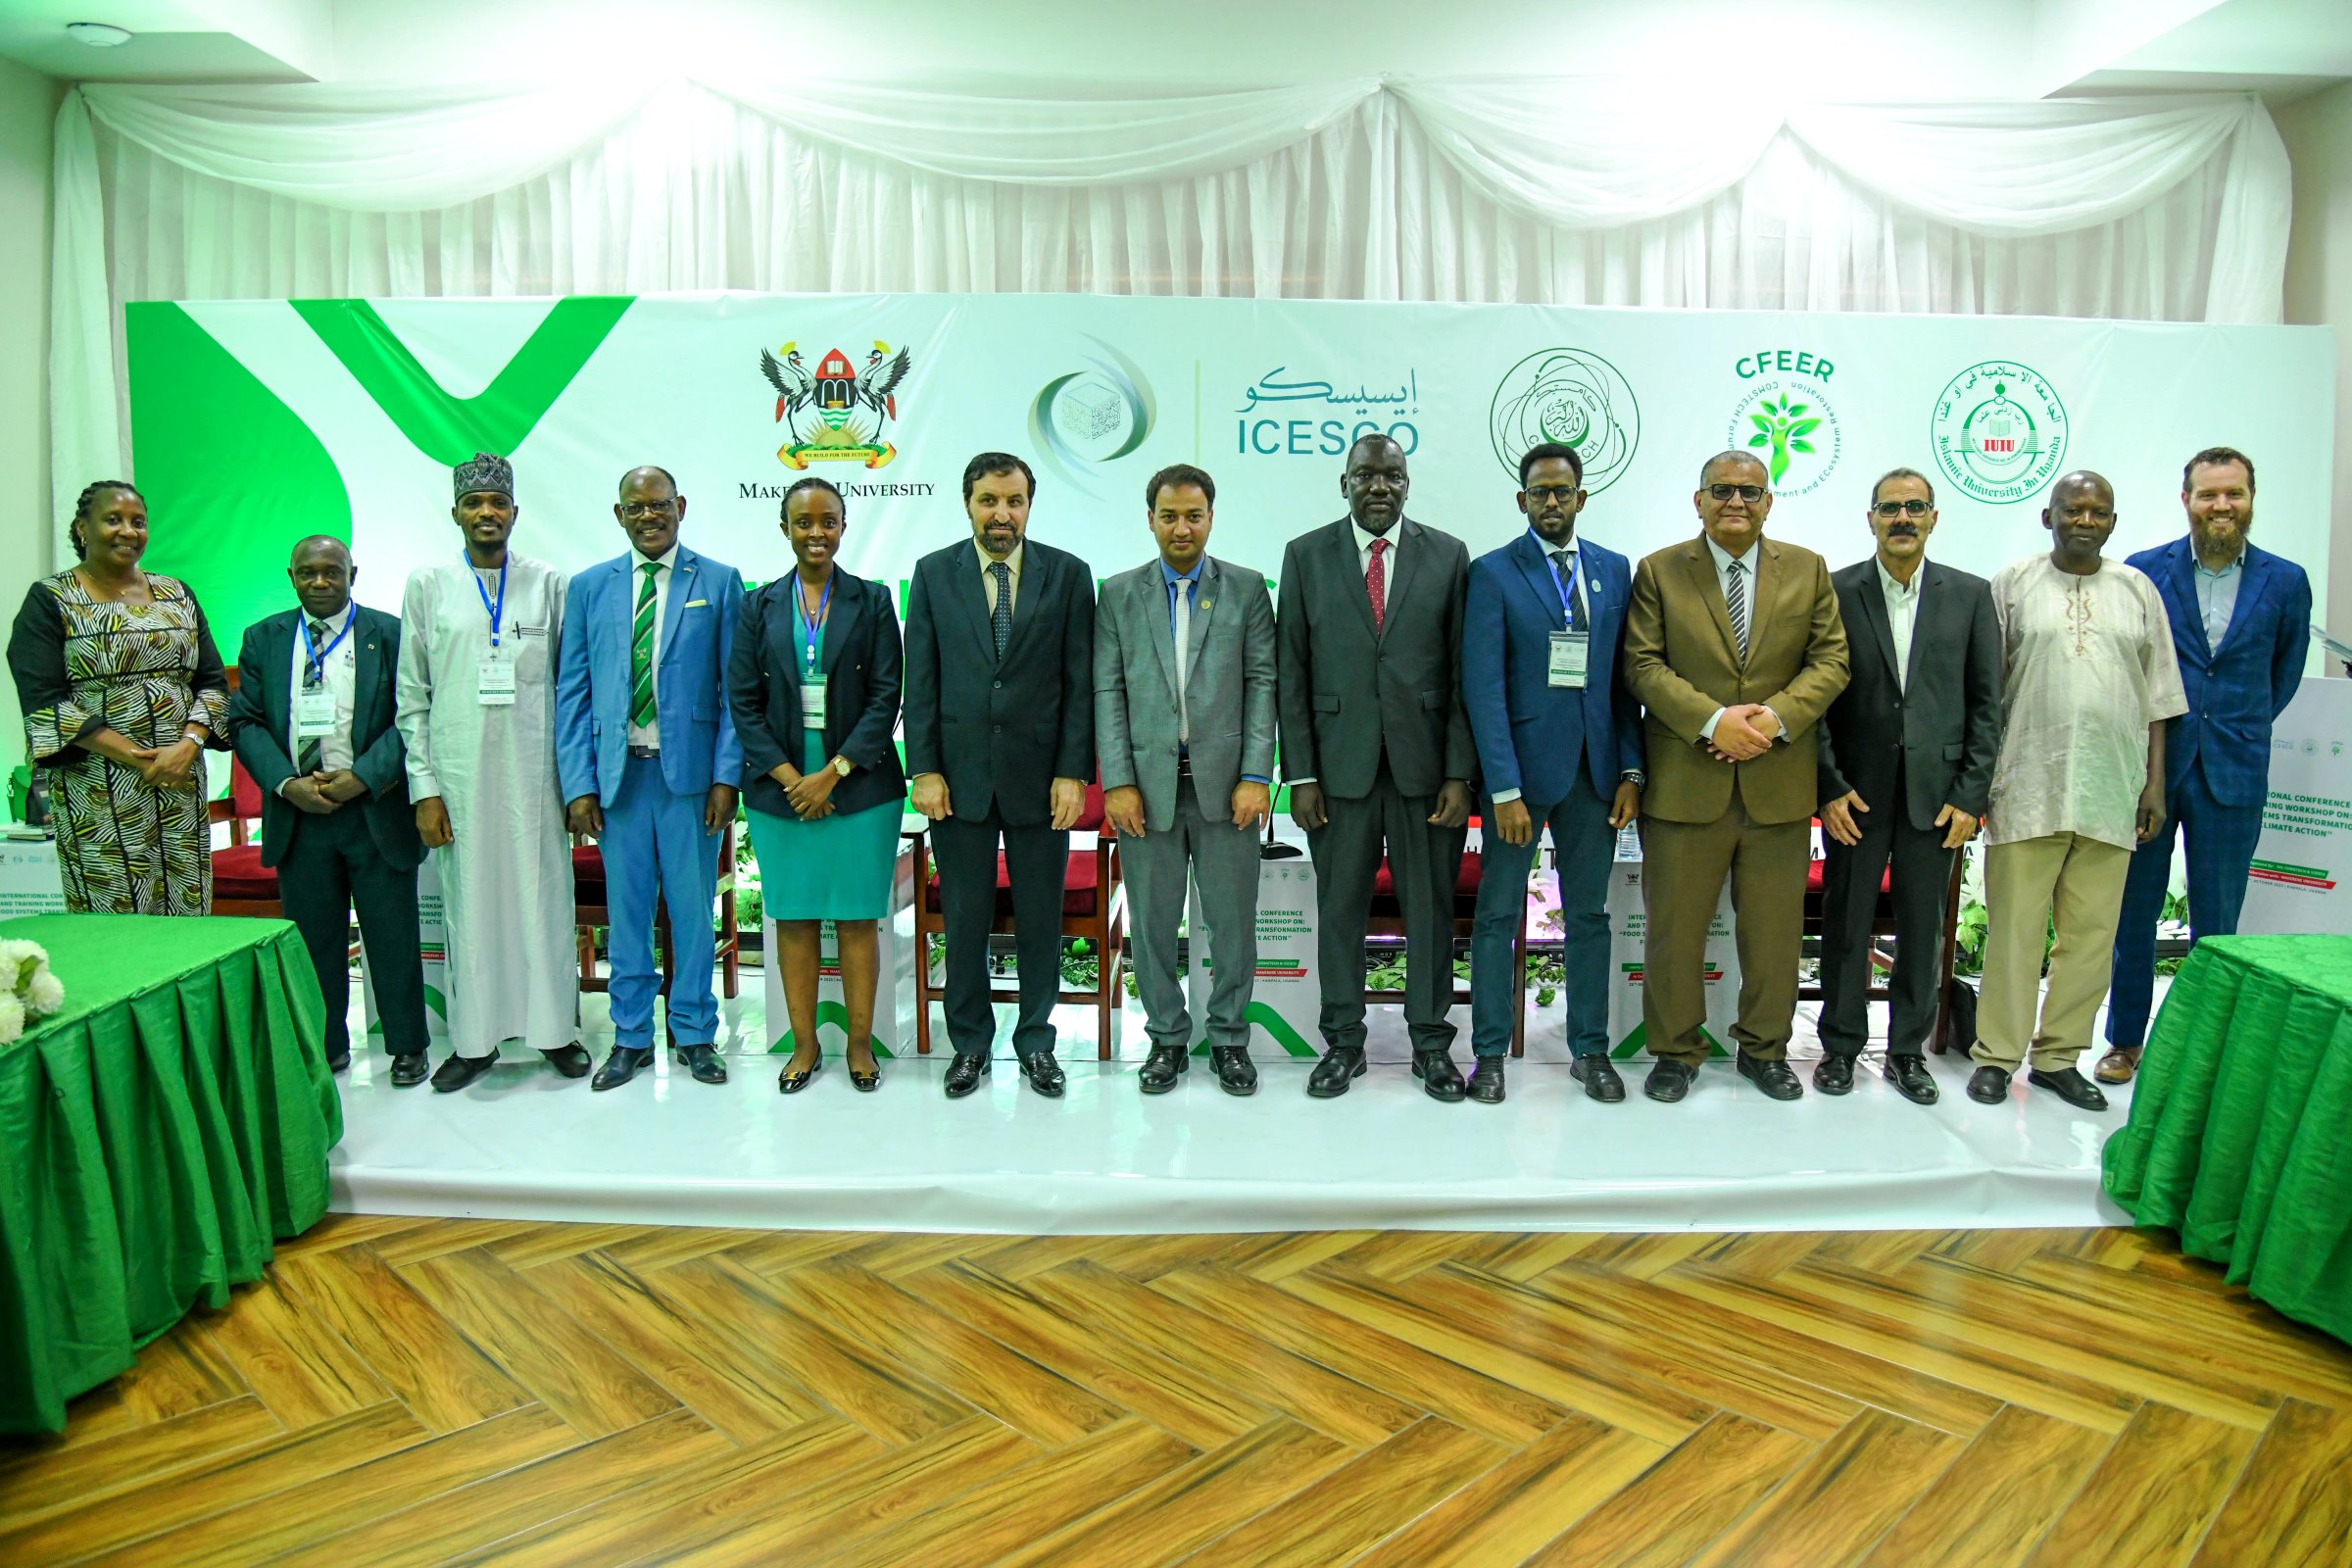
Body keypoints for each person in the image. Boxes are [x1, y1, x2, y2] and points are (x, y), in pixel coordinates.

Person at [1622, 451, 1849, 1103]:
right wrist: (1714, 720)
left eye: (1750, 492)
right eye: (1721, 490)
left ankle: (1764, 1049)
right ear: (1699, 500)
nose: (1736, 502)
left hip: (1777, 785)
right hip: (1686, 785)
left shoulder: (1807, 569)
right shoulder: (1660, 572)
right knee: (1673, 933)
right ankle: (1675, 1051)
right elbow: (1641, 665)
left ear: (1769, 502)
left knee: (1775, 936)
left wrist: (1774, 720)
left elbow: (1832, 662)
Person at [1971, 470, 2186, 1111]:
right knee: (2012, 933)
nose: (2084, 520)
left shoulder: (2137, 590)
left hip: (2109, 789)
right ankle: (1995, 1058)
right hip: (2025, 785)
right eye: (2072, 510)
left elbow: (2160, 701)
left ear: (2113, 522)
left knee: (2091, 939)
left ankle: (2060, 1058)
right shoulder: (2012, 586)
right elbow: (1984, 694)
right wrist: (1980, 781)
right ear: (2049, 517)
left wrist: (2152, 786)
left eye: (2097, 511)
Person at [2098, 446, 2311, 1085]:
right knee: (2135, 911)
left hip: (2235, 770)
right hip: (2152, 772)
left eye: (2234, 494)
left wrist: (2240, 725)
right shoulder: (2143, 572)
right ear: (2185, 499)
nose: (2222, 505)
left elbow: (2285, 673)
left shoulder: (2286, 580)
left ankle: (2208, 1047)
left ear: (2251, 499)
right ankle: (2125, 1041)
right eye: (2209, 494)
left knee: (2220, 919)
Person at [1278, 433, 1476, 1102]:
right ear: (1345, 484)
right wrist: (1300, 775)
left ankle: (1430, 1045)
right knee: (1339, 912)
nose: (1379, 486)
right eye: (1365, 475)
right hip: (1338, 772)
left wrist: (1458, 772)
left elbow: (1461, 674)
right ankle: (1342, 1044)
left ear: (1408, 483)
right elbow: (1292, 673)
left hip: (1426, 774)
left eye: (1392, 474)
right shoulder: (1305, 556)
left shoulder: (1448, 556)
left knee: (1430, 911)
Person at [904, 453, 1095, 1099]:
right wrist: (923, 768)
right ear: (968, 504)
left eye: (1013, 501)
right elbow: (920, 682)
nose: (1001, 513)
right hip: (956, 782)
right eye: (989, 500)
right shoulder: (933, 575)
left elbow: (1079, 686)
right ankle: (970, 1045)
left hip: (1042, 783)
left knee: (1041, 918)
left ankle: (1037, 1043)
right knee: (964, 919)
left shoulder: (1068, 576)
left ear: (1029, 505)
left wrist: (1074, 773)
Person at [394, 453, 586, 1091]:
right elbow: (411, 695)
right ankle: (474, 1044)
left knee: (545, 902)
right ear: (456, 512)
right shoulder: (428, 585)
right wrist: (424, 789)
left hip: (537, 776)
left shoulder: (548, 584)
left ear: (514, 513)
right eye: (474, 503)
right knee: (470, 907)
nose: (486, 513)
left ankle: (555, 1032)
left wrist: (575, 784)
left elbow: (571, 687)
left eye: (497, 503)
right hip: (460, 779)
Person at [1459, 442, 1642, 1104]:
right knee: (1497, 916)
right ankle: (1488, 1055)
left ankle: (1589, 1050)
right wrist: (1502, 787)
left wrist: (1631, 770)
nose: (1552, 503)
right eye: (1540, 493)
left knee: (1589, 917)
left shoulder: (1613, 571)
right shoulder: (1493, 574)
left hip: (1596, 777)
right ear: (1522, 500)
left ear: (1581, 498)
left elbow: (1626, 683)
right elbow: (1483, 689)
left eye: (1563, 492)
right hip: (1521, 780)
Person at [1814, 468, 2001, 1105]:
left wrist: (1971, 797)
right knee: (1845, 923)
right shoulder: (1835, 591)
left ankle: (1905, 1054)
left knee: (1923, 930)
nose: (1902, 518)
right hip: (1855, 798)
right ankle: (1839, 1049)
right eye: (1889, 508)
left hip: (1938, 798)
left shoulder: (1971, 596)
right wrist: (1828, 786)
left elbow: (1986, 705)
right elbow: (1813, 701)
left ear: (1933, 518)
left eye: (1914, 507)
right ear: (1870, 519)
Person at [556, 466, 744, 1093]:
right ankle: (631, 1037)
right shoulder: (588, 587)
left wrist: (726, 777)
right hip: (618, 783)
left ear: (680, 506)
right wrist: (578, 783)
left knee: (692, 911)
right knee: (627, 913)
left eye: (659, 505)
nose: (648, 516)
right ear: (618, 515)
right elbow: (573, 693)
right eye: (635, 508)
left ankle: (693, 1034)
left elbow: (735, 692)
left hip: (690, 782)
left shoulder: (718, 582)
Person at [1096, 463, 1276, 1097]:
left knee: (1232, 921)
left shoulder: (1248, 589)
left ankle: (1229, 1039)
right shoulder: (1117, 594)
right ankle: (1167, 1040)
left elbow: (1262, 685)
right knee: (1150, 922)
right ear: (1150, 519)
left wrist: (1258, 773)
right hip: (1146, 789)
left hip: (1229, 789)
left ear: (1210, 518)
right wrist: (1116, 780)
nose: (1181, 527)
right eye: (1168, 515)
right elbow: (1108, 690)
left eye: (1192, 515)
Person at [226, 537, 429, 1083]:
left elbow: (411, 715)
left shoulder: (388, 633)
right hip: (301, 814)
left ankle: (408, 1045)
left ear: (353, 573)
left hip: (374, 810)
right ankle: (325, 1044)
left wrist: (361, 778)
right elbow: (244, 721)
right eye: (308, 573)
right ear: (290, 575)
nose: (320, 582)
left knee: (392, 936)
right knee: (314, 941)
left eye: (332, 572)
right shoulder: (263, 638)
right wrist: (285, 784)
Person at [730, 476, 906, 1094]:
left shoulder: (874, 600)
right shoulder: (758, 607)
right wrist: (791, 780)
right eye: (803, 522)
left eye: (827, 521)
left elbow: (888, 696)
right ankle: (804, 1049)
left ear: (843, 525)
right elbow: (743, 704)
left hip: (859, 788)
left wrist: (831, 773)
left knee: (859, 920)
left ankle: (859, 1047)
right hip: (781, 790)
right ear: (784, 528)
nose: (816, 533)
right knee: (795, 920)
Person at [9, 481, 228, 914]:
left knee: (186, 910)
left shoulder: (178, 594)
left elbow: (214, 682)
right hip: (96, 786)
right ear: (82, 529)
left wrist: (188, 746)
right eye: (113, 520)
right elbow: (44, 700)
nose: (128, 531)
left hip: (180, 778)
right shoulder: (51, 599)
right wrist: (138, 757)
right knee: (113, 915)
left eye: (138, 522)